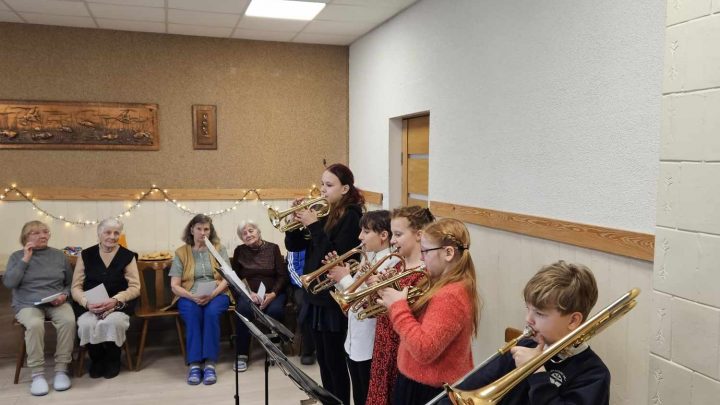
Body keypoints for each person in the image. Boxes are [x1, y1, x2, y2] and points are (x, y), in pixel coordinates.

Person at [442, 260, 609, 405]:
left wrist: (537, 373)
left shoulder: (593, 374)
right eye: (527, 308)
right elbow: (468, 388)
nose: (528, 319)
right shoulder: (523, 346)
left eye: (540, 313)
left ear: (573, 321)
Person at [285, 163, 365, 405]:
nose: (322, 189)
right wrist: (294, 224)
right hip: (315, 295)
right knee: (324, 360)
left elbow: (333, 256)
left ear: (345, 189)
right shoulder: (325, 211)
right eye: (322, 184)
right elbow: (295, 246)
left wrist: (313, 225)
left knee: (335, 361)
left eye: (329, 185)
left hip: (332, 297)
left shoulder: (351, 216)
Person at [377, 218, 481, 404]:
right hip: (417, 382)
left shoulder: (451, 295)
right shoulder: (438, 281)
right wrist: (392, 293)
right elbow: (419, 324)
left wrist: (398, 308)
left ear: (448, 253)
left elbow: (424, 349)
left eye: (425, 251)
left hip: (427, 390)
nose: (421, 257)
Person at [366, 206, 435, 405]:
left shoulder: (426, 273)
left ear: (419, 235)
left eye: (398, 234)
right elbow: (375, 310)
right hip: (383, 349)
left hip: (402, 351)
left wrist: (389, 292)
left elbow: (419, 317)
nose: (392, 240)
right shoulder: (397, 265)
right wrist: (376, 289)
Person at [327, 210, 394, 405]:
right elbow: (351, 295)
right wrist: (339, 277)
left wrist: (345, 278)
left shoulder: (390, 262)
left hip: (369, 343)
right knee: (358, 394)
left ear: (383, 235)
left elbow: (367, 301)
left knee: (366, 395)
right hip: (354, 340)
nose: (360, 237)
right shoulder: (368, 256)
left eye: (366, 231)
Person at [3, 221, 75, 396]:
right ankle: (37, 375)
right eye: (35, 233)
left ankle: (61, 370)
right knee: (35, 324)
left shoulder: (59, 256)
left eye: (45, 232)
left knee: (68, 321)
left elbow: (70, 283)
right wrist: (25, 260)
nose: (42, 235)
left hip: (56, 301)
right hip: (27, 303)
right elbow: (9, 283)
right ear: (25, 237)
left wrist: (64, 295)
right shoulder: (16, 256)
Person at [71, 219, 140, 379]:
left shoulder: (128, 256)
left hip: (118, 304)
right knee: (87, 324)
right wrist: (86, 303)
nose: (112, 236)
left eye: (116, 233)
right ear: (99, 233)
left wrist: (116, 300)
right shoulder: (85, 255)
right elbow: (75, 287)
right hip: (90, 304)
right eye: (107, 232)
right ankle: (97, 359)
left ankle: (113, 359)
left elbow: (135, 287)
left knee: (111, 323)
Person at [169, 214, 230, 386]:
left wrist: (212, 295)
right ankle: (195, 364)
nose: (203, 233)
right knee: (193, 315)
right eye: (199, 229)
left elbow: (227, 279)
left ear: (210, 231)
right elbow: (174, 285)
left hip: (217, 293)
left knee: (211, 313)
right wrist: (192, 296)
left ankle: (210, 363)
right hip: (189, 295)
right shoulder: (181, 252)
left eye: (206, 229)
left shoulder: (219, 249)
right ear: (192, 230)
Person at [231, 221, 288, 372]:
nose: (248, 235)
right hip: (249, 294)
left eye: (251, 230)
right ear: (241, 238)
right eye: (244, 233)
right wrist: (248, 293)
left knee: (275, 310)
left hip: (273, 292)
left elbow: (282, 276)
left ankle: (275, 346)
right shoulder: (239, 251)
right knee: (243, 310)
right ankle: (242, 354)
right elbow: (235, 278)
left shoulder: (273, 248)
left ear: (258, 231)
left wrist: (273, 294)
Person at [287, 248, 316, 365]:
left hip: (322, 283)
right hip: (300, 286)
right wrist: (305, 285)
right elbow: (292, 269)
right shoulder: (295, 243)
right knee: (305, 307)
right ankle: (308, 350)